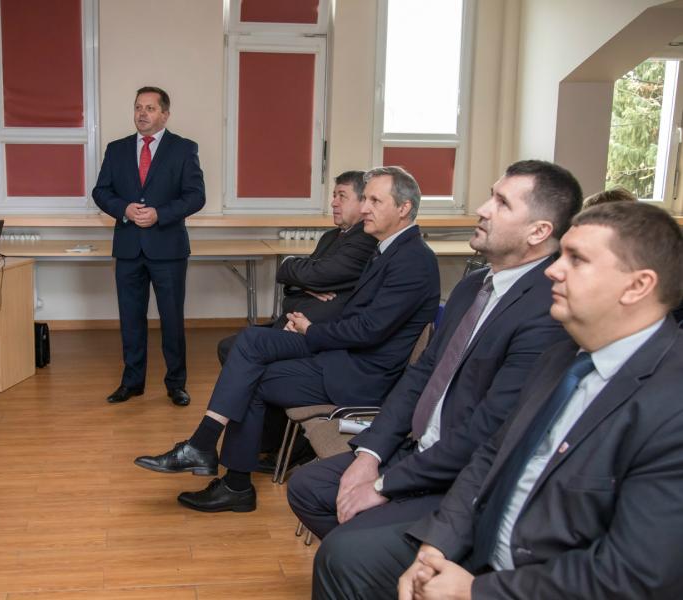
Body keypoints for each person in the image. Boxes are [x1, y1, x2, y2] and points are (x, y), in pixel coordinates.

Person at [312, 201, 683, 600]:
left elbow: (633, 575)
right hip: (481, 540)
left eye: (577, 260)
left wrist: (476, 590)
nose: (553, 270)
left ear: (637, 286)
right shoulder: (564, 356)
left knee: (350, 554)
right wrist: (436, 546)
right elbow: (491, 457)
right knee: (343, 557)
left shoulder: (670, 403)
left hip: (538, 578)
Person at [288, 160, 582, 540]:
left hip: (459, 473)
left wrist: (385, 485)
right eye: (490, 196)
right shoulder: (473, 285)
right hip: (414, 446)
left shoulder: (546, 310)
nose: (482, 209)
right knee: (307, 487)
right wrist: (370, 454)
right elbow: (423, 373)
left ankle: (379, 553)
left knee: (345, 550)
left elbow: (487, 430)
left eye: (502, 203)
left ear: (538, 231)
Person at [133, 166, 441, 513]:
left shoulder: (413, 260)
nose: (365, 208)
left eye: (375, 201)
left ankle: (223, 471)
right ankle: (209, 454)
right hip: (344, 355)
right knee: (251, 343)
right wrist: (310, 314)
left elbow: (369, 330)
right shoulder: (387, 249)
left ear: (403, 208)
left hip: (360, 375)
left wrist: (311, 330)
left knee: (251, 374)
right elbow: (352, 310)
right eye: (365, 199)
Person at [92, 86, 206, 407]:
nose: (142, 114)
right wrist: (124, 209)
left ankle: (176, 384)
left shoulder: (183, 149)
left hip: (168, 248)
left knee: (172, 319)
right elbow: (101, 191)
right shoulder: (116, 149)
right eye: (138, 107)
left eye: (150, 108)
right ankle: (132, 383)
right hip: (128, 247)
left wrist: (160, 214)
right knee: (130, 319)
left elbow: (196, 196)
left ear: (165, 115)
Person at [216, 170, 377, 364]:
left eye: (342, 196)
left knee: (235, 348)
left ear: (363, 202)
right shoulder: (330, 237)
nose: (334, 203)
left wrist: (298, 271)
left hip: (313, 330)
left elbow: (318, 275)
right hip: (291, 321)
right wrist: (306, 284)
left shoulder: (366, 240)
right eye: (334, 196)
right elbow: (300, 280)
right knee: (231, 346)